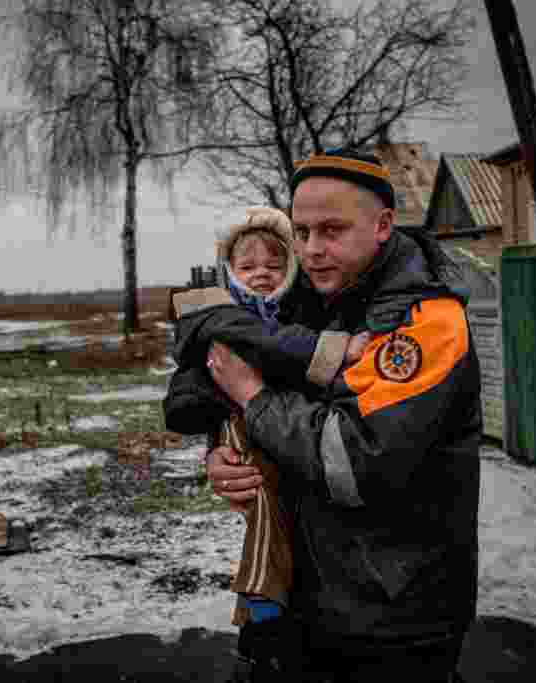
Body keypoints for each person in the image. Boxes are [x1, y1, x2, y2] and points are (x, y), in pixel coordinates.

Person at [200, 149, 482, 682]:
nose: (310, 250)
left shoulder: (426, 321)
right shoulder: (300, 302)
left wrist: (253, 398)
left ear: (382, 225)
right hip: (294, 598)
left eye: (331, 230)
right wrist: (225, 455)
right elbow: (250, 406)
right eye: (302, 231)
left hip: (388, 620)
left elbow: (355, 463)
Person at [164, 207, 369, 681]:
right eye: (248, 266)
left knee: (271, 511)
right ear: (228, 272)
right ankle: (261, 606)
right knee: (265, 507)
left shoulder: (300, 307)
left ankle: (262, 605)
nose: (262, 274)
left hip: (295, 453)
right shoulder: (222, 316)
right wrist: (215, 435)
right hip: (253, 430)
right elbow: (197, 388)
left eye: (274, 265)